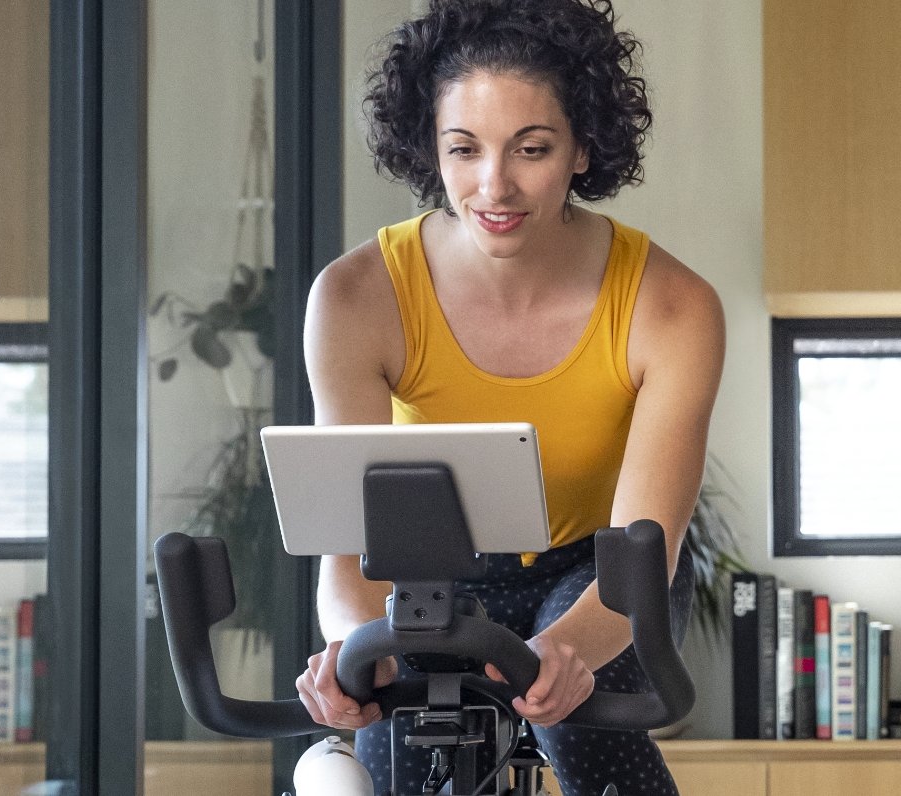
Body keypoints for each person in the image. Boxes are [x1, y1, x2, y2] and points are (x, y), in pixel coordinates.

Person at [291, 0, 724, 793]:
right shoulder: (358, 296)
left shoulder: (672, 307)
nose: (494, 185)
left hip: (605, 568)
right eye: (464, 149)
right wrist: (356, 649)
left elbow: (644, 548)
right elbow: (349, 549)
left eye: (531, 148)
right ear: (432, 147)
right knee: (404, 755)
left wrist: (566, 654)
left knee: (583, 729)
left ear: (583, 147)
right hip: (432, 570)